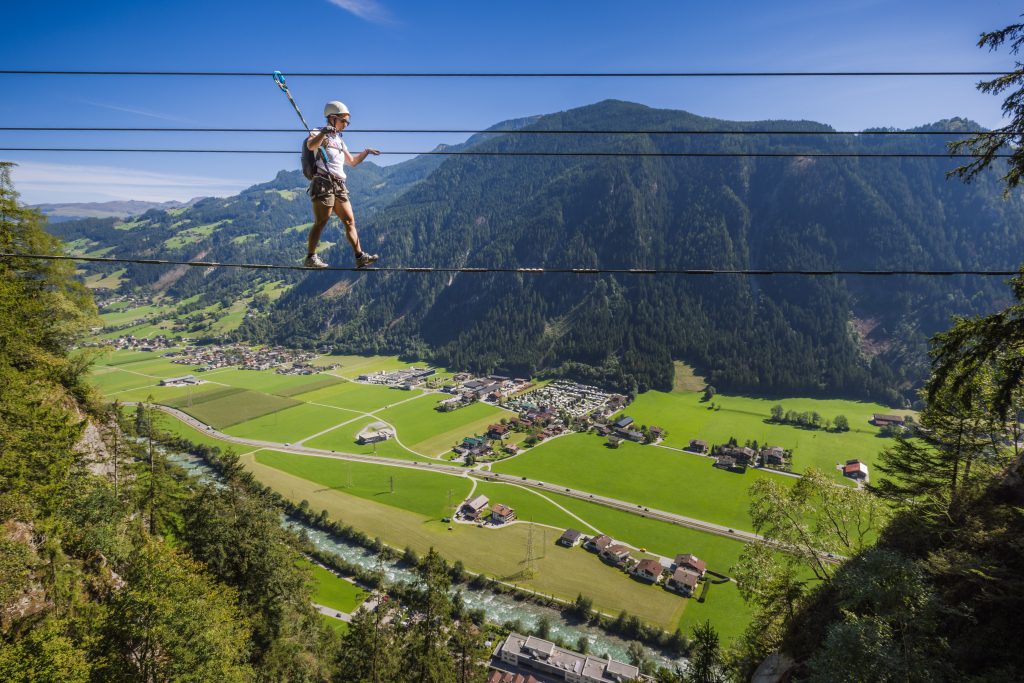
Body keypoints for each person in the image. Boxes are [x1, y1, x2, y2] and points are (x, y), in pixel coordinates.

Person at [304, 100, 381, 268]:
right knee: (322, 221)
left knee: (349, 221)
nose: (346, 124)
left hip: (339, 185)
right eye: (344, 121)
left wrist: (366, 152)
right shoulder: (318, 131)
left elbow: (352, 162)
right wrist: (323, 133)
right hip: (323, 183)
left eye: (347, 121)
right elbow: (311, 145)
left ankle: (360, 256)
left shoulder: (339, 140)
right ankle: (310, 257)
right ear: (332, 118)